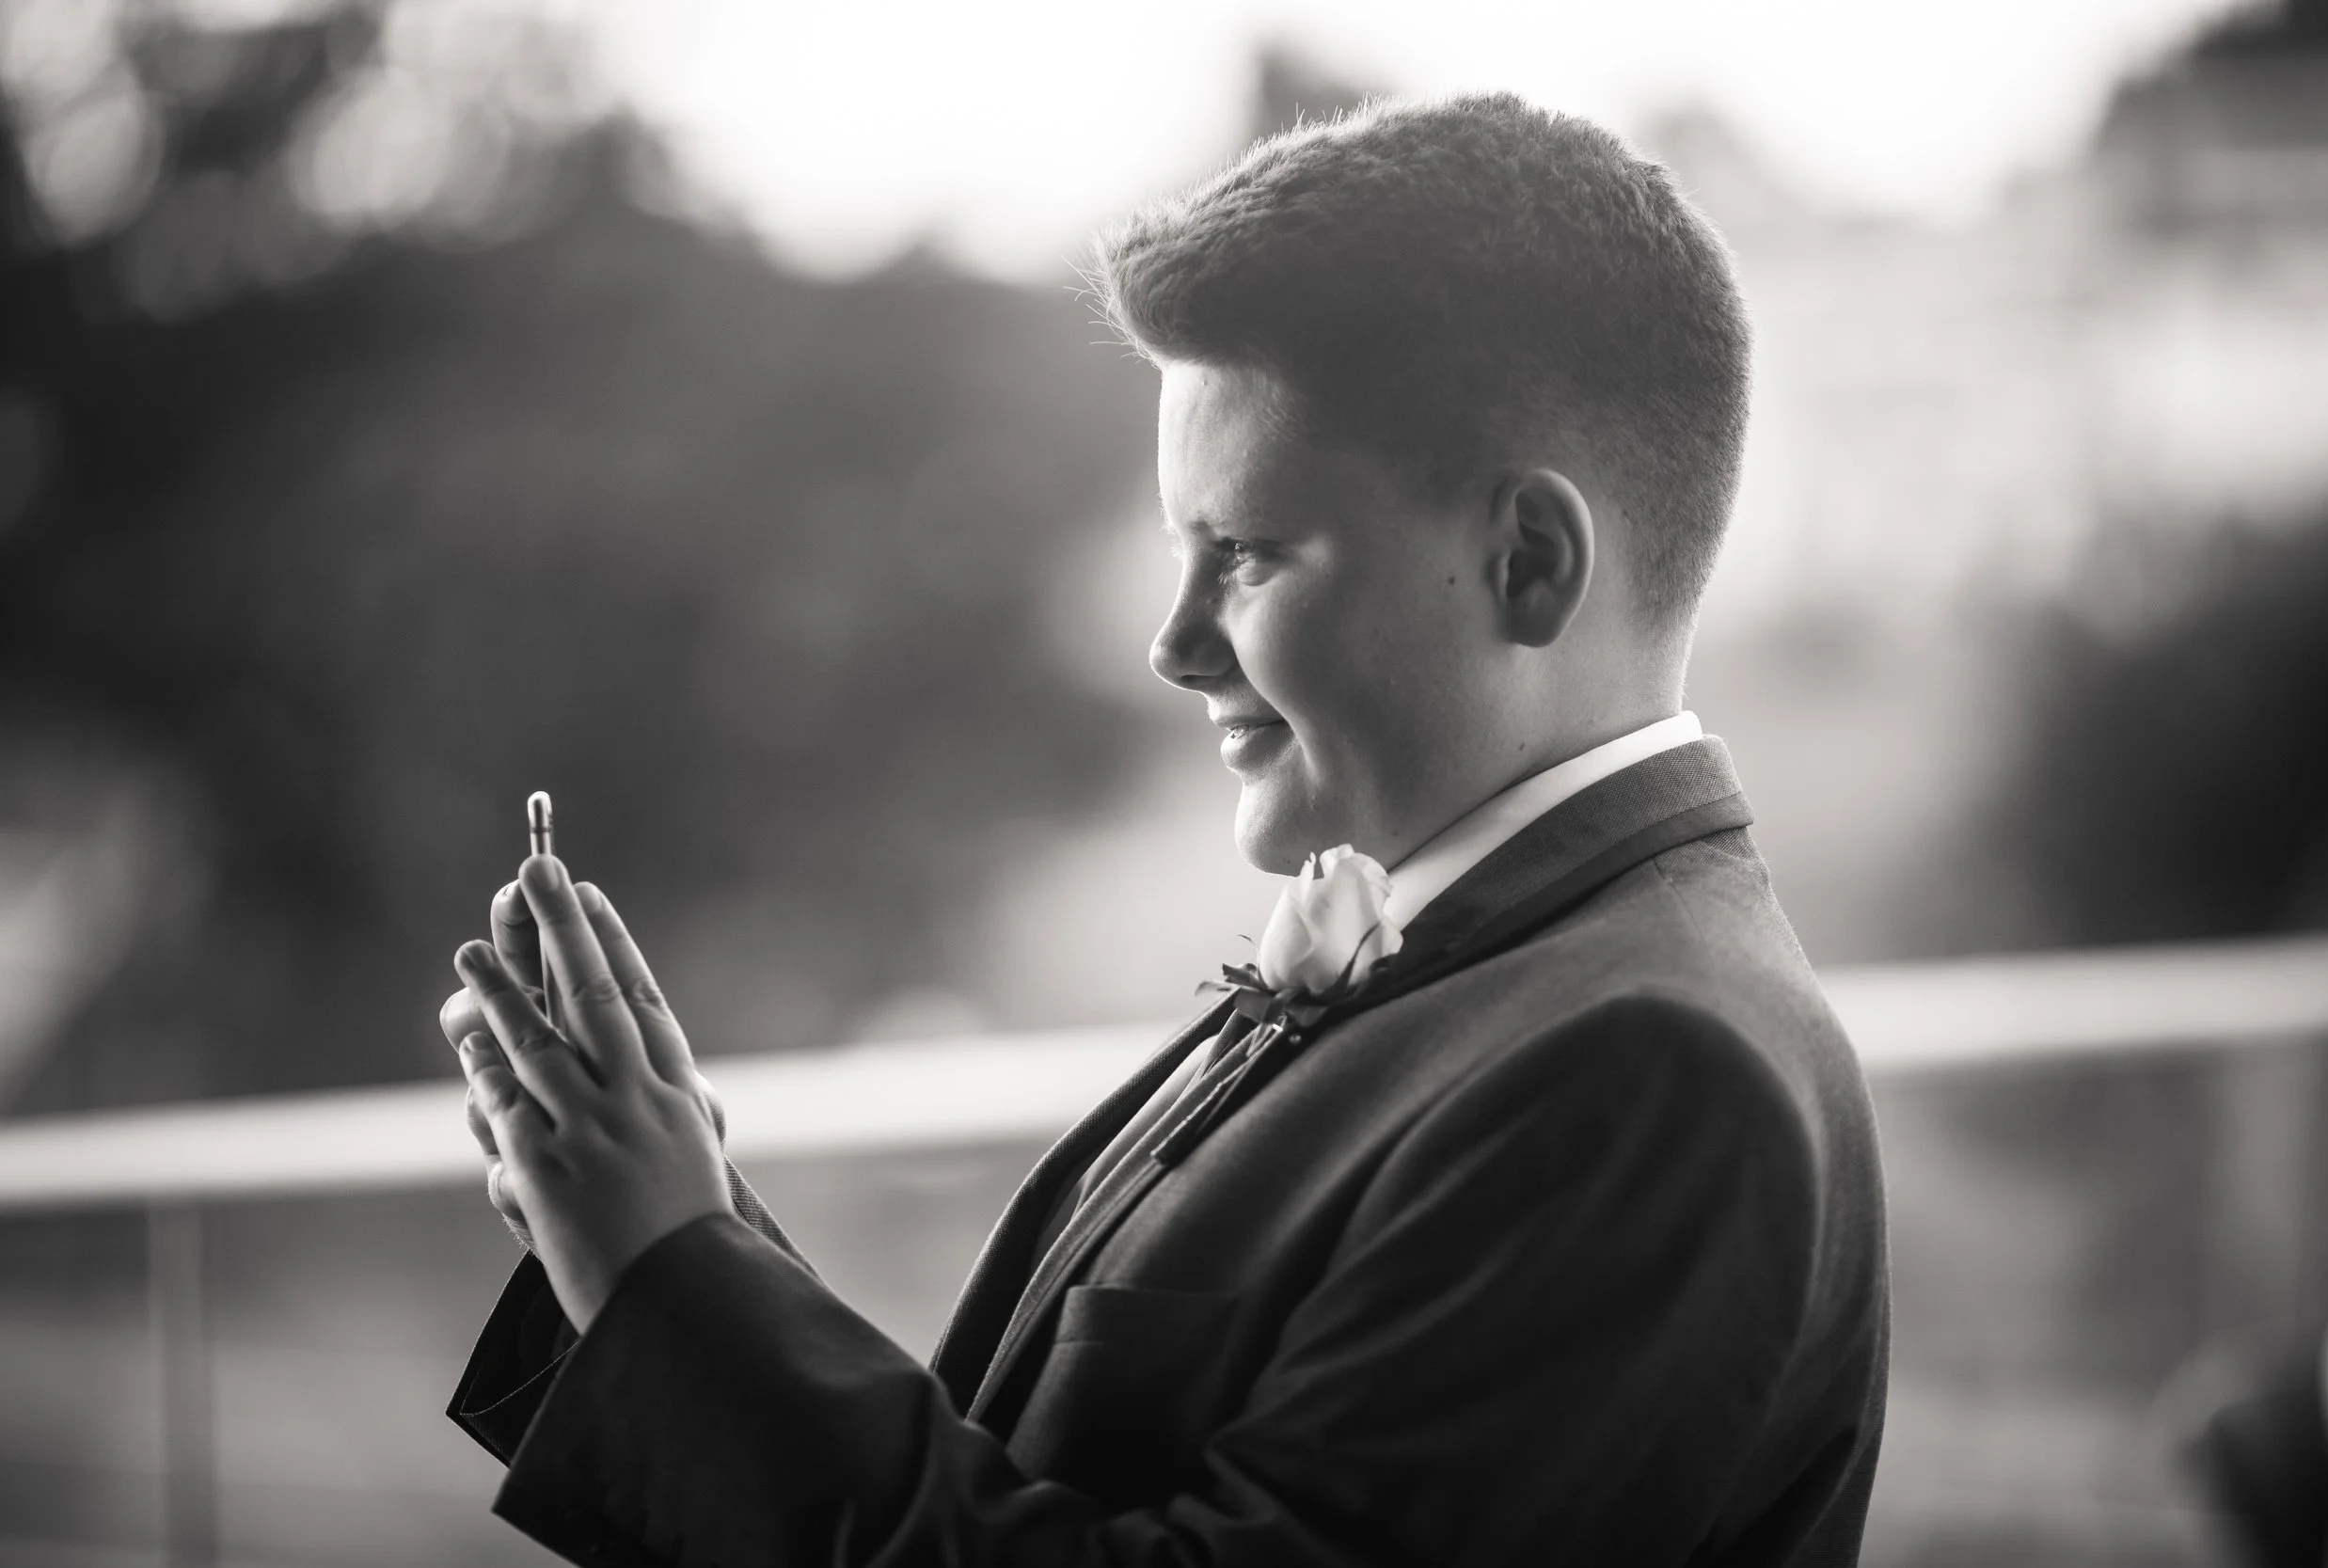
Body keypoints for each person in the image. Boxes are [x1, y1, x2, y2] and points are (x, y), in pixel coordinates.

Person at [436, 91, 1890, 1566]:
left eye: (1245, 555)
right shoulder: (1505, 971)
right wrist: (663, 1228)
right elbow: (1023, 1485)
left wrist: (669, 1283)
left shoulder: (1648, 1074)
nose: (1173, 644)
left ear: (1527, 560)